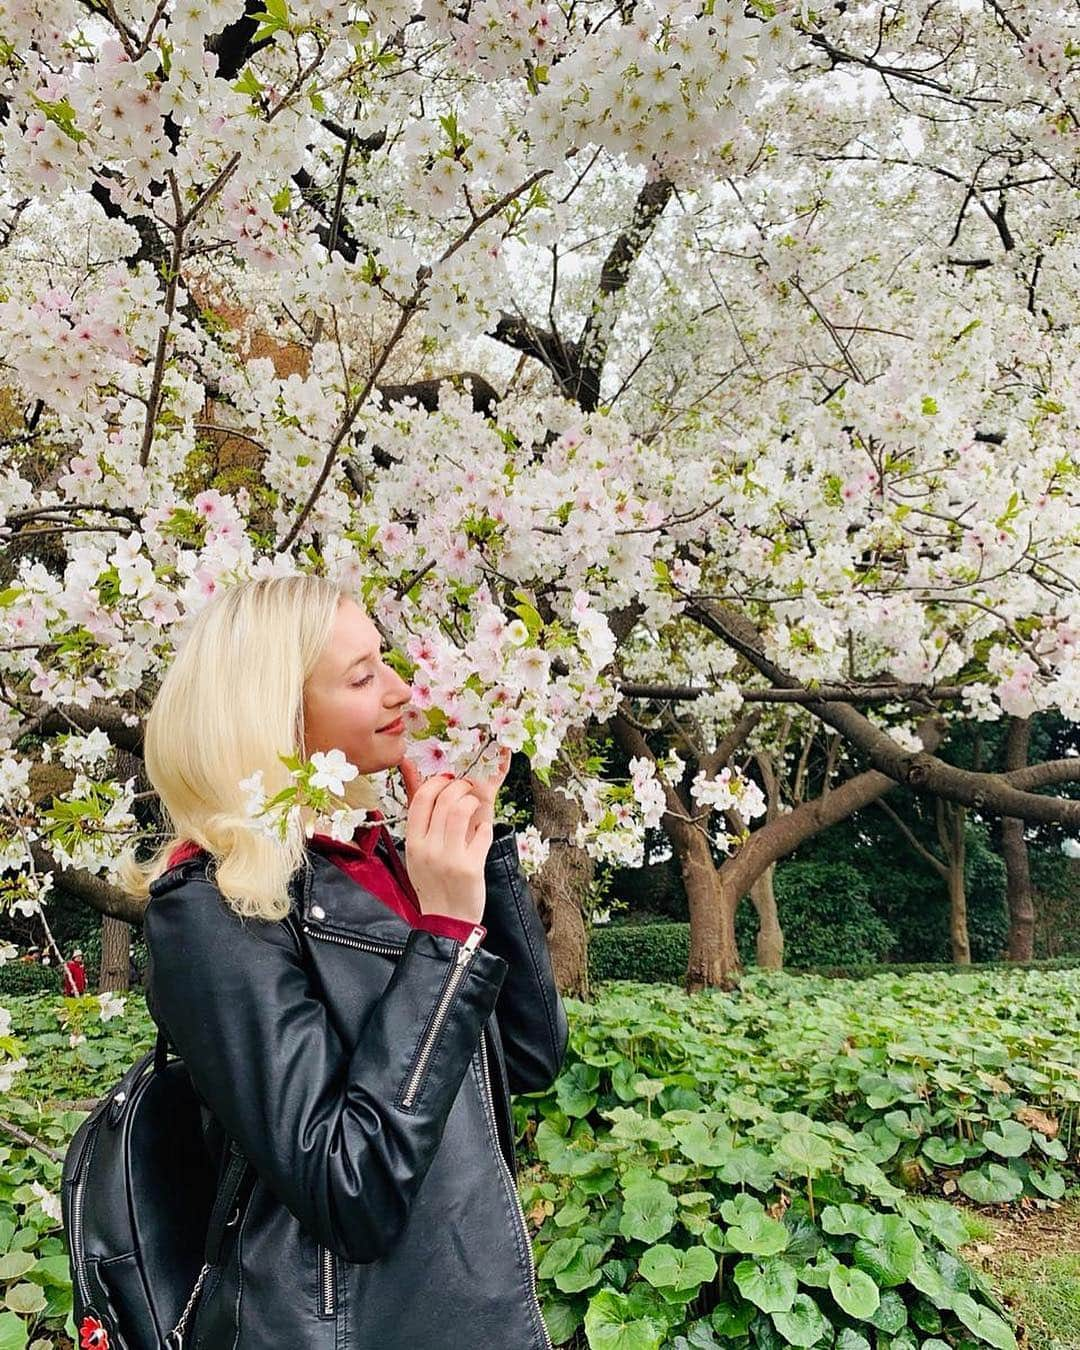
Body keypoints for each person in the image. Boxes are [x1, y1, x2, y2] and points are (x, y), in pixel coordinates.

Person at [117, 575, 568, 1349]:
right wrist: (447, 935)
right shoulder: (212, 907)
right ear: (276, 718)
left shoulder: (372, 858)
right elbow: (345, 1184)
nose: (400, 689)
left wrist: (479, 863)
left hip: (469, 1303)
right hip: (340, 1328)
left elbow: (527, 1059)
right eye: (361, 677)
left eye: (386, 661)